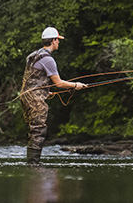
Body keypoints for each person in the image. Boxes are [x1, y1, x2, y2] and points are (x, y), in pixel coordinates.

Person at [20, 27, 87, 164]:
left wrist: (45, 91)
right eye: (58, 40)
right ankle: (33, 163)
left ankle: (32, 162)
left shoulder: (33, 55)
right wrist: (76, 85)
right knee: (39, 129)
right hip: (35, 98)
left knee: (33, 129)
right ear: (53, 40)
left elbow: (33, 79)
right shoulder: (48, 60)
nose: (59, 42)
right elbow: (59, 83)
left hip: (26, 96)